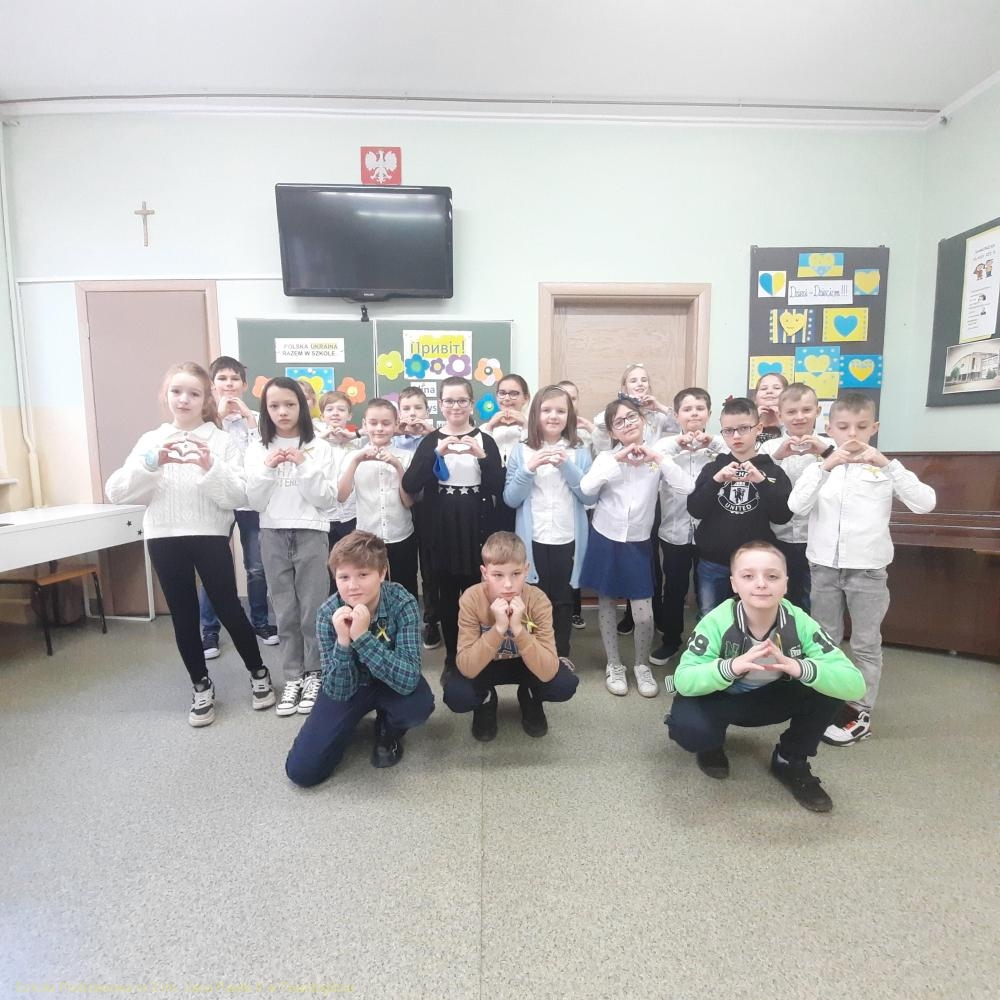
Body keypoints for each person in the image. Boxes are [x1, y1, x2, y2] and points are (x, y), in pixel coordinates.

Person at [105, 361, 275, 727]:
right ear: (165, 396)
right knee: (183, 615)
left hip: (209, 534)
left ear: (206, 399)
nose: (184, 399)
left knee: (229, 608)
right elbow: (116, 492)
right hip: (164, 536)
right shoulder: (151, 440)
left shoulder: (221, 440)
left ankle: (258, 672)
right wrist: (150, 463)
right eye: (177, 392)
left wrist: (210, 467)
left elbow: (238, 495)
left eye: (193, 393)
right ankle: (201, 686)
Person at [665, 541, 865, 812]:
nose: (761, 584)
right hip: (721, 699)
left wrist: (801, 668)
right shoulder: (716, 621)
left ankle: (789, 759)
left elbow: (854, 683)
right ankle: (710, 744)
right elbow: (683, 679)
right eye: (748, 576)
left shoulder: (800, 622)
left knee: (830, 687)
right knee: (690, 729)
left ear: (785, 584)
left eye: (772, 576)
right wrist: (730, 667)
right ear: (734, 584)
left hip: (772, 699)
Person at [788, 391, 936, 746]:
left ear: (874, 428)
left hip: (867, 571)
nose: (852, 434)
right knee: (825, 639)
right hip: (824, 568)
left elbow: (925, 503)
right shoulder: (819, 469)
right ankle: (826, 701)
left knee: (866, 643)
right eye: (843, 427)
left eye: (861, 426)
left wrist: (887, 465)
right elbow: (796, 506)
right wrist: (825, 466)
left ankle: (860, 711)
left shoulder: (885, 471)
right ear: (829, 428)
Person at [285, 531, 435, 786]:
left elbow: (409, 678)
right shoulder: (328, 613)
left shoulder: (402, 601)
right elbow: (337, 691)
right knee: (302, 772)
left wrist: (363, 638)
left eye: (363, 575)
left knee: (418, 705)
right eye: (344, 577)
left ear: (382, 573)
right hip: (352, 687)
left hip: (391, 683)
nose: (352, 586)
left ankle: (388, 727)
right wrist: (344, 642)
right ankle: (348, 725)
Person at [578, 397, 694, 697]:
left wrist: (658, 457)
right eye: (619, 422)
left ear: (643, 420)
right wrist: (617, 459)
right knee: (607, 603)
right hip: (605, 537)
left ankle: (641, 665)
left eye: (632, 417)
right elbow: (587, 489)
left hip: (638, 543)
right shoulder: (606, 457)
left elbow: (687, 487)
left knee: (644, 614)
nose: (627, 424)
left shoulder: (657, 456)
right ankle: (614, 664)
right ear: (612, 431)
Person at [245, 377, 337, 717]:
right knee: (284, 611)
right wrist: (269, 468)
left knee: (313, 609)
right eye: (274, 406)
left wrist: (303, 464)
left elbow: (326, 499)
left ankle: (315, 673)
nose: (282, 412)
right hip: (272, 532)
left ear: (302, 406)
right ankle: (293, 676)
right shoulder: (257, 447)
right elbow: (254, 501)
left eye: (289, 404)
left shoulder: (320, 446)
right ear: (265, 409)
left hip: (311, 532)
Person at [401, 376, 504, 677]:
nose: (455, 406)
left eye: (461, 400)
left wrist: (482, 457)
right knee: (446, 595)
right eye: (449, 400)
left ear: (471, 404)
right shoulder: (430, 441)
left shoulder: (486, 440)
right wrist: (436, 454)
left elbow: (499, 488)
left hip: (476, 527)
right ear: (440, 404)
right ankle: (452, 658)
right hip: (441, 529)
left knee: (477, 593)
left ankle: (478, 654)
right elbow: (410, 484)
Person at [444, 531, 578, 741]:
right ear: (484, 572)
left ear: (526, 570)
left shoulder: (538, 600)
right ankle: (486, 699)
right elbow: (467, 666)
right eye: (498, 575)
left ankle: (530, 696)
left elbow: (549, 669)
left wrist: (518, 629)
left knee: (564, 684)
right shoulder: (471, 598)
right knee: (457, 695)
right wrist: (498, 629)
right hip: (485, 666)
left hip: (526, 666)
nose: (508, 584)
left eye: (516, 574)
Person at [503, 385, 597, 660]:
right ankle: (534, 654)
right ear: (535, 414)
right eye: (546, 410)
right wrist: (529, 469)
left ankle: (560, 654)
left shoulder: (580, 452)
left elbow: (589, 496)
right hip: (532, 540)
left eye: (560, 411)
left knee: (563, 600)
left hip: (567, 538)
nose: (553, 416)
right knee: (532, 599)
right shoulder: (521, 451)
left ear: (570, 415)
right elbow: (511, 499)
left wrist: (567, 466)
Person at [591, 363, 680, 637]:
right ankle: (628, 614)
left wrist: (658, 406)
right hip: (621, 487)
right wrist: (626, 406)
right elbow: (601, 421)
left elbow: (680, 423)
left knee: (646, 558)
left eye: (643, 380)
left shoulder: (655, 416)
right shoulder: (620, 415)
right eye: (633, 380)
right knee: (620, 556)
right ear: (624, 387)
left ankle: (650, 612)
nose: (640, 384)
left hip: (649, 491)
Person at [199, 356, 277, 660]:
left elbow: (265, 453)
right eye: (222, 379)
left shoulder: (255, 417)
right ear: (213, 385)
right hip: (218, 500)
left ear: (244, 385)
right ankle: (209, 630)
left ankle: (260, 622)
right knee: (212, 567)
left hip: (250, 502)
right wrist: (217, 419)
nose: (229, 384)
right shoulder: (205, 420)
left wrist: (249, 420)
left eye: (234, 379)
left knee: (256, 566)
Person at [687, 396, 793, 614]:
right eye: (728, 431)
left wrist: (761, 482)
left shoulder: (772, 471)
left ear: (758, 428)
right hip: (713, 561)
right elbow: (695, 509)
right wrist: (716, 481)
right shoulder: (712, 468)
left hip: (756, 566)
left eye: (743, 428)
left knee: (755, 616)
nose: (736, 436)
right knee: (711, 616)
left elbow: (782, 516)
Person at [650, 387, 726, 666]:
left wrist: (712, 442)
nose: (694, 414)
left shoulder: (720, 445)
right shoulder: (665, 446)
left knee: (711, 591)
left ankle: (711, 645)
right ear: (676, 415)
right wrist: (677, 443)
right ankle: (671, 640)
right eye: (687, 409)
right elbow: (653, 461)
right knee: (674, 589)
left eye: (700, 408)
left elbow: (736, 455)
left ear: (709, 413)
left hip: (712, 533)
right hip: (674, 531)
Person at [758, 383, 833, 610]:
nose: (799, 417)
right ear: (780, 416)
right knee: (779, 597)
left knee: (814, 599)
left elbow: (847, 480)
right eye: (791, 412)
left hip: (817, 537)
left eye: (806, 410)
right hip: (777, 536)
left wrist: (826, 453)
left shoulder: (832, 446)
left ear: (818, 411)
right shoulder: (768, 447)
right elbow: (756, 483)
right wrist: (777, 457)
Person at [338, 398, 418, 598]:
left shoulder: (406, 456)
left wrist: (398, 466)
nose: (379, 428)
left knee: (405, 588)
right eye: (373, 423)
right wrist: (356, 461)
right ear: (364, 424)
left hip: (401, 535)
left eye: (386, 423)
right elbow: (341, 496)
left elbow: (408, 502)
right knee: (369, 591)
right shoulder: (353, 456)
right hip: (366, 538)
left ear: (396, 424)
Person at [393, 386, 441, 650]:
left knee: (431, 568)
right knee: (406, 569)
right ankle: (405, 620)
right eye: (406, 409)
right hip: (399, 511)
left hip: (430, 511)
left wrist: (431, 435)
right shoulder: (393, 439)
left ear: (427, 410)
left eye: (418, 408)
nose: (412, 414)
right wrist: (393, 432)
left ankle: (432, 619)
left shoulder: (436, 437)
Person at [556, 379, 594, 630]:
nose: (568, 403)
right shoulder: (538, 437)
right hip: (552, 512)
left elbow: (590, 484)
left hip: (582, 506)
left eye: (572, 398)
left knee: (575, 559)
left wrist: (591, 428)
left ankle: (574, 610)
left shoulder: (585, 436)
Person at [482, 373, 530, 532]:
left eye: (514, 393)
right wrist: (490, 427)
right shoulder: (485, 428)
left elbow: (530, 455)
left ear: (526, 398)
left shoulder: (534, 429)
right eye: (502, 393)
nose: (507, 398)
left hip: (522, 495)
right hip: (492, 497)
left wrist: (526, 426)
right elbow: (479, 460)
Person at [317, 390, 359, 546]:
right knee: (325, 559)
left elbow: (388, 431)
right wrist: (321, 437)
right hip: (323, 516)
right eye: (329, 409)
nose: (335, 413)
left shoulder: (356, 443)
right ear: (322, 416)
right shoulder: (314, 443)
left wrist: (354, 435)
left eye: (341, 409)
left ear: (349, 415)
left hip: (351, 515)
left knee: (350, 556)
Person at [752, 372, 788, 447]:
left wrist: (783, 423)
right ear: (755, 398)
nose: (769, 391)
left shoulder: (794, 421)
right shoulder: (747, 422)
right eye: (763, 388)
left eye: (776, 388)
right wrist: (753, 421)